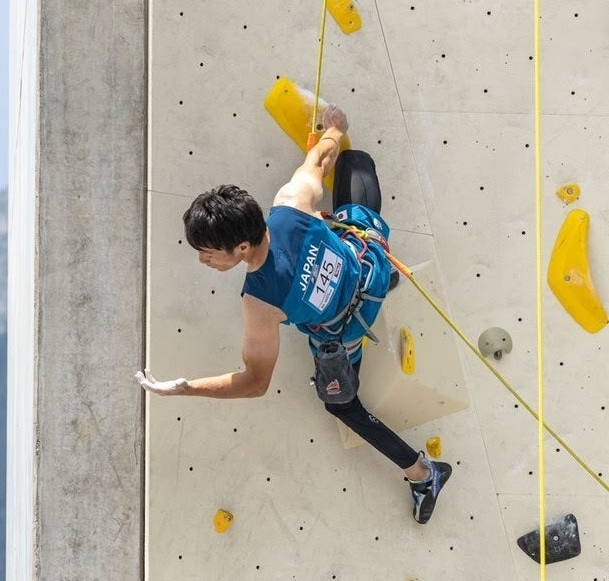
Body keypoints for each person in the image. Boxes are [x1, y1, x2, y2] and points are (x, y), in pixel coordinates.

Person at [134, 103, 452, 524]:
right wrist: (335, 129)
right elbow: (320, 159)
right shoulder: (290, 202)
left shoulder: (259, 303)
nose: (203, 261)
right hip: (371, 271)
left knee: (340, 405)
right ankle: (383, 267)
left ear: (241, 247)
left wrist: (184, 388)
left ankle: (424, 474)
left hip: (347, 328)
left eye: (208, 254)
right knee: (354, 180)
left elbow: (255, 383)